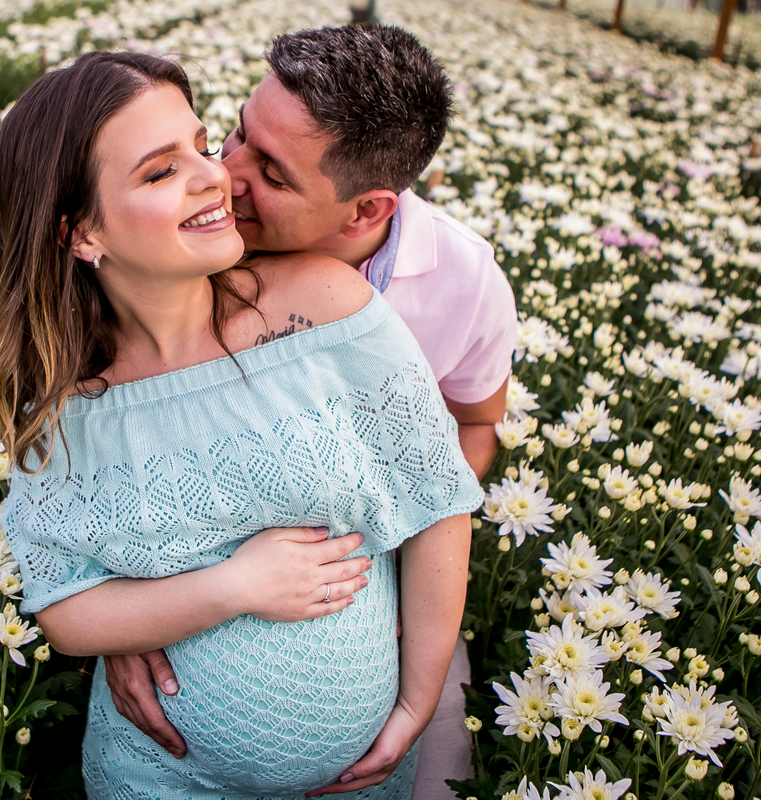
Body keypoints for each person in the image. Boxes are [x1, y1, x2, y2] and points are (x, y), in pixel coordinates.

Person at [0, 51, 482, 798]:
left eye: (202, 143)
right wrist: (234, 587)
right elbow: (66, 608)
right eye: (159, 172)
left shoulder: (326, 304)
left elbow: (437, 499)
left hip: (363, 775)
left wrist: (417, 700)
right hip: (156, 775)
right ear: (81, 234)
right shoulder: (67, 404)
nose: (216, 175)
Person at [102, 26, 518, 799]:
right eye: (236, 132)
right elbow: (114, 428)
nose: (223, 176)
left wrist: (406, 560)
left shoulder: (466, 281)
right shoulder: (195, 245)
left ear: (366, 211)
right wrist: (124, 615)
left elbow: (474, 425)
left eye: (273, 174)